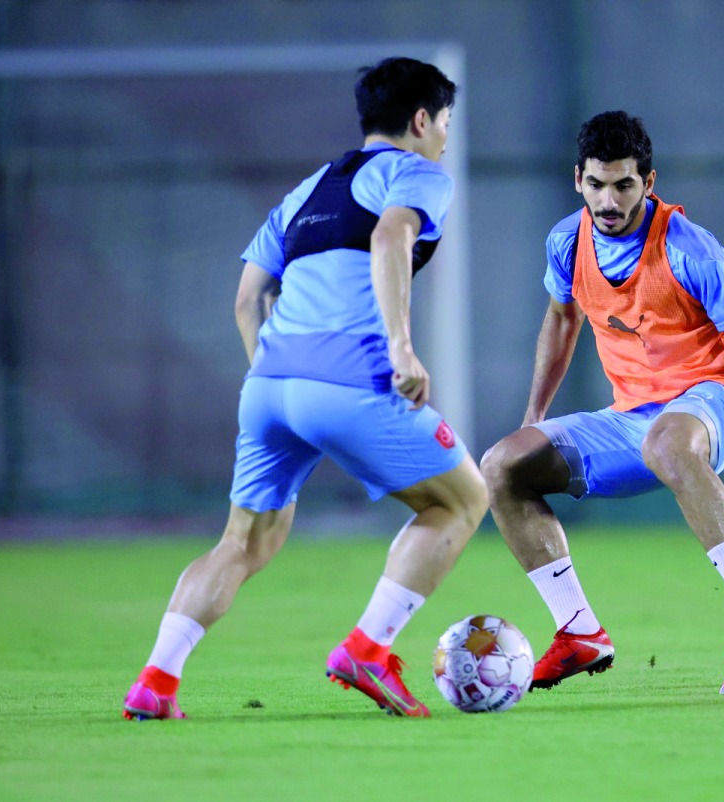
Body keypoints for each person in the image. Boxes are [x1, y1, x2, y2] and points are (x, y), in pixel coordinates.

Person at [122, 57, 487, 720]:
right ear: (421, 120)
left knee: (241, 544)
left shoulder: (306, 191)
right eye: (445, 123)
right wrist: (401, 349)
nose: (444, 137)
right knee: (462, 499)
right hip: (350, 380)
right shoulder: (418, 174)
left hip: (268, 385)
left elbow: (246, 299)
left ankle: (156, 682)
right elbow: (391, 236)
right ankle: (367, 650)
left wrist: (275, 380)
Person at [481, 111, 724, 695]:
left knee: (668, 442)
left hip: (711, 403)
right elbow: (561, 319)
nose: (609, 200)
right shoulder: (566, 241)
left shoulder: (689, 249)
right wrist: (534, 420)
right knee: (502, 464)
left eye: (623, 185)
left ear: (648, 182)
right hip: (631, 417)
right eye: (596, 184)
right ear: (578, 179)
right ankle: (578, 630)